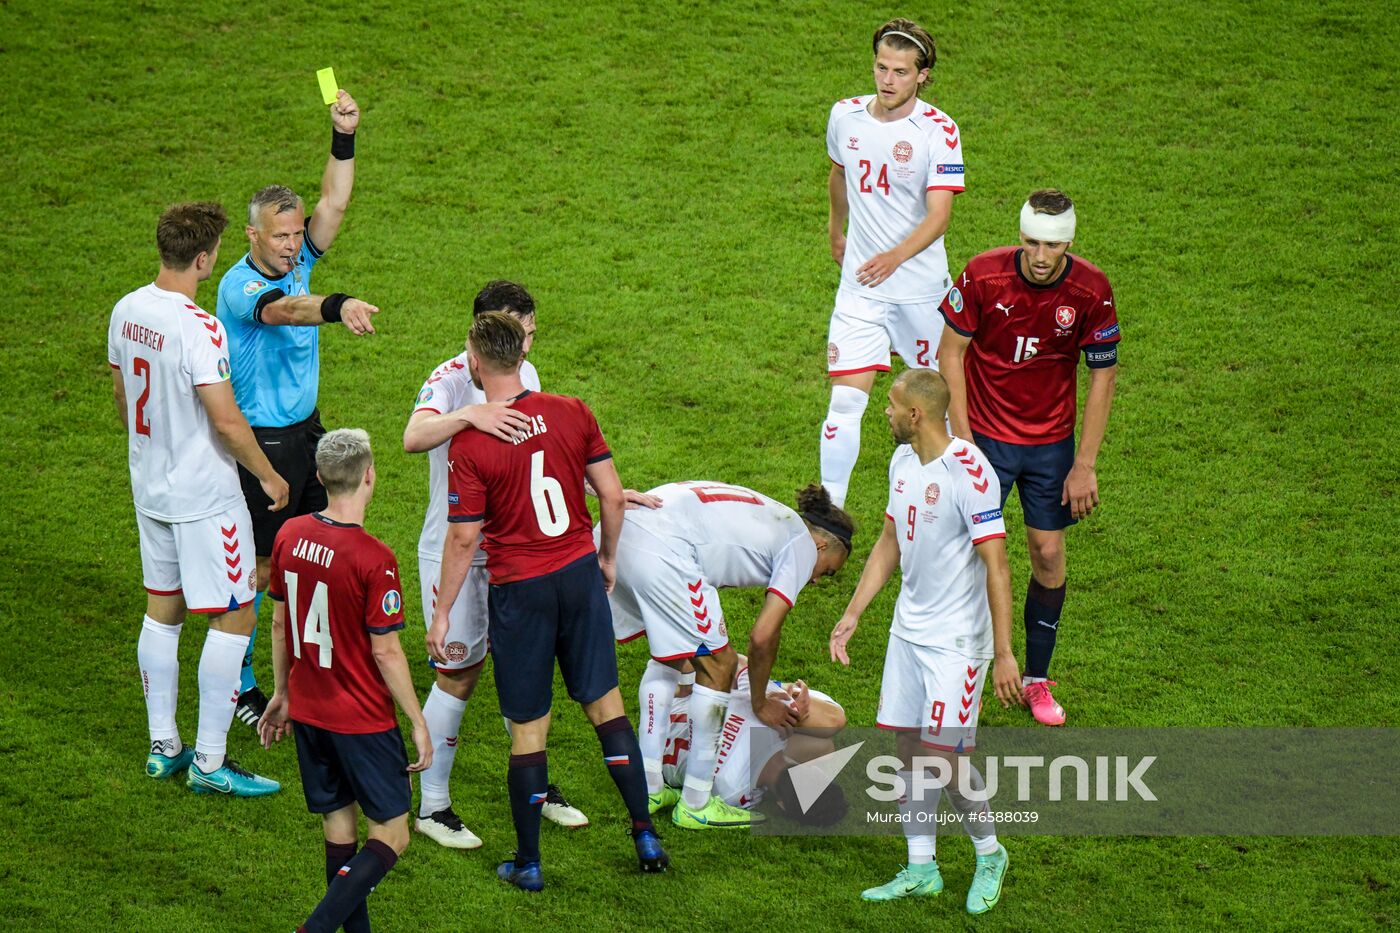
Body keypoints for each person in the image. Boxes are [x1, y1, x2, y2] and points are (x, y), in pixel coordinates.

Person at [403, 280, 659, 846]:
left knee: (524, 672)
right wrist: (471, 417)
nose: (531, 341)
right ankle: (433, 806)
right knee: (460, 674)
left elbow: (538, 457)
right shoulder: (448, 379)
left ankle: (537, 788)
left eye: (533, 331)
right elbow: (413, 436)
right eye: (523, 331)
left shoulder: (528, 372)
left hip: (521, 556)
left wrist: (604, 490)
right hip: (458, 554)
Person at [109, 201, 288, 797]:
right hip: (204, 498)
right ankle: (211, 763)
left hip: (149, 488)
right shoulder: (198, 326)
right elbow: (228, 423)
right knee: (236, 611)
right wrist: (267, 477)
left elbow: (121, 394)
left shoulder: (126, 308)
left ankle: (164, 747)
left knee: (164, 607)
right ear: (206, 258)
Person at [216, 87, 381, 731]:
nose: (292, 246)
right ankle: (242, 683)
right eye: (280, 236)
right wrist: (338, 306)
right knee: (262, 566)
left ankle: (310, 665)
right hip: (265, 443)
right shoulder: (241, 284)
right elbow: (288, 311)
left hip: (306, 432)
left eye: (295, 234)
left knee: (313, 551)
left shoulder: (299, 254)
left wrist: (344, 135)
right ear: (254, 233)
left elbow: (334, 201)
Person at [829, 368, 1019, 914]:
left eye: (890, 406)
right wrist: (854, 612)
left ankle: (990, 852)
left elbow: (998, 566)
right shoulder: (902, 460)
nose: (884, 412)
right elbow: (892, 537)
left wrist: (1003, 653)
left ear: (916, 414)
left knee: (945, 757)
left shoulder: (971, 473)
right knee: (910, 751)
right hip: (908, 632)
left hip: (957, 643)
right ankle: (921, 868)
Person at [936, 188, 1120, 726]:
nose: (1041, 257)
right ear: (1020, 237)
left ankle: (1037, 680)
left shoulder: (1091, 289)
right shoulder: (982, 275)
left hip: (1049, 445)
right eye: (1033, 243)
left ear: (1070, 243)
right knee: (963, 553)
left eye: (1054, 246)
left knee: (1046, 554)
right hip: (985, 438)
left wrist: (1083, 464)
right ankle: (957, 664)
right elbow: (951, 352)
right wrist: (964, 444)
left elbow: (1102, 374)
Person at [258, 428, 430, 933]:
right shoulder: (374, 558)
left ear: (320, 477)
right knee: (393, 834)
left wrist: (284, 692)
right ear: (370, 476)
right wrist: (417, 721)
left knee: (340, 830)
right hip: (361, 720)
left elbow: (277, 621)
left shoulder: (290, 534)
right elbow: (386, 650)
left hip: (309, 710)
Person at [608, 481, 853, 829]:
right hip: (664, 548)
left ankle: (648, 787)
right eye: (827, 570)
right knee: (717, 665)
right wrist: (758, 701)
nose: (816, 580)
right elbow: (763, 635)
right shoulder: (801, 547)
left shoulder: (773, 514)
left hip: (622, 526)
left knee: (673, 654)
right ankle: (693, 803)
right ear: (821, 545)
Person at [819, 18, 966, 508]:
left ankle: (938, 501)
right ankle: (829, 519)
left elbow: (940, 215)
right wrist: (836, 229)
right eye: (882, 67)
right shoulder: (845, 115)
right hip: (861, 288)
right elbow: (838, 176)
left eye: (901, 72)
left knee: (931, 406)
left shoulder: (939, 130)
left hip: (921, 291)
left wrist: (894, 257)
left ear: (922, 75)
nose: (887, 80)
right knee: (845, 403)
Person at [660, 656, 848, 824]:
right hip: (662, 744)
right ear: (781, 805)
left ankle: (775, 688)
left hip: (677, 698)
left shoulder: (776, 714)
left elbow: (731, 660)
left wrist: (776, 698)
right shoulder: (733, 798)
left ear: (812, 768)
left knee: (825, 740)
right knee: (824, 747)